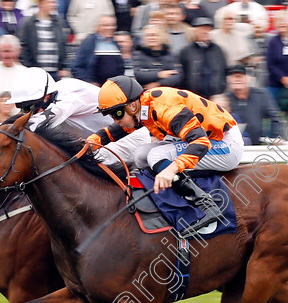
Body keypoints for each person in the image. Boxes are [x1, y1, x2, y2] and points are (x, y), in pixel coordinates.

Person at [86, 76, 245, 233]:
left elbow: (201, 142)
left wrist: (171, 170)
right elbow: (120, 129)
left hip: (224, 144)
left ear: (132, 106)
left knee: (156, 155)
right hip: (207, 140)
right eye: (111, 116)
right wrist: (92, 141)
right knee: (141, 155)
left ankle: (207, 206)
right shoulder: (143, 107)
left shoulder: (164, 108)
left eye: (117, 114)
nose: (115, 120)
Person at [224, 64, 281, 145]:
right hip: (232, 146)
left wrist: (275, 137)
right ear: (228, 80)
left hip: (259, 145)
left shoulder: (262, 95)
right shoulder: (224, 99)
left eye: (240, 76)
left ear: (248, 79)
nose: (237, 79)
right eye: (234, 76)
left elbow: (275, 117)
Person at [17, 0, 69, 79]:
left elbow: (64, 46)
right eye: (50, 2)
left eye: (54, 2)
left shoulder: (59, 23)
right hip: (35, 74)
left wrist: (64, 67)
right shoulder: (28, 23)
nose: (55, 5)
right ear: (41, 4)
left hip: (55, 74)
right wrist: (29, 68)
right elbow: (23, 48)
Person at [178, 17, 227, 98]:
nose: (206, 32)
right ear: (194, 30)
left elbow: (224, 70)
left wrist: (221, 87)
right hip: (194, 96)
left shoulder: (218, 50)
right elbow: (183, 74)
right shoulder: (186, 51)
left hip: (215, 95)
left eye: (209, 29)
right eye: (203, 29)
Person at [71, 15, 124, 85]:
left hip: (112, 87)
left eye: (112, 25)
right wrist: (89, 82)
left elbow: (120, 66)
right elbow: (77, 67)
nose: (110, 28)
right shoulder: (89, 42)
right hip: (93, 87)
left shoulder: (115, 43)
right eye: (106, 25)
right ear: (97, 27)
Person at [133, 24, 182, 89]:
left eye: (154, 35)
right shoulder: (138, 54)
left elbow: (178, 76)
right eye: (148, 35)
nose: (151, 38)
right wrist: (159, 74)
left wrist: (158, 84)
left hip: (167, 92)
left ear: (162, 37)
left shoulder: (171, 55)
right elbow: (138, 74)